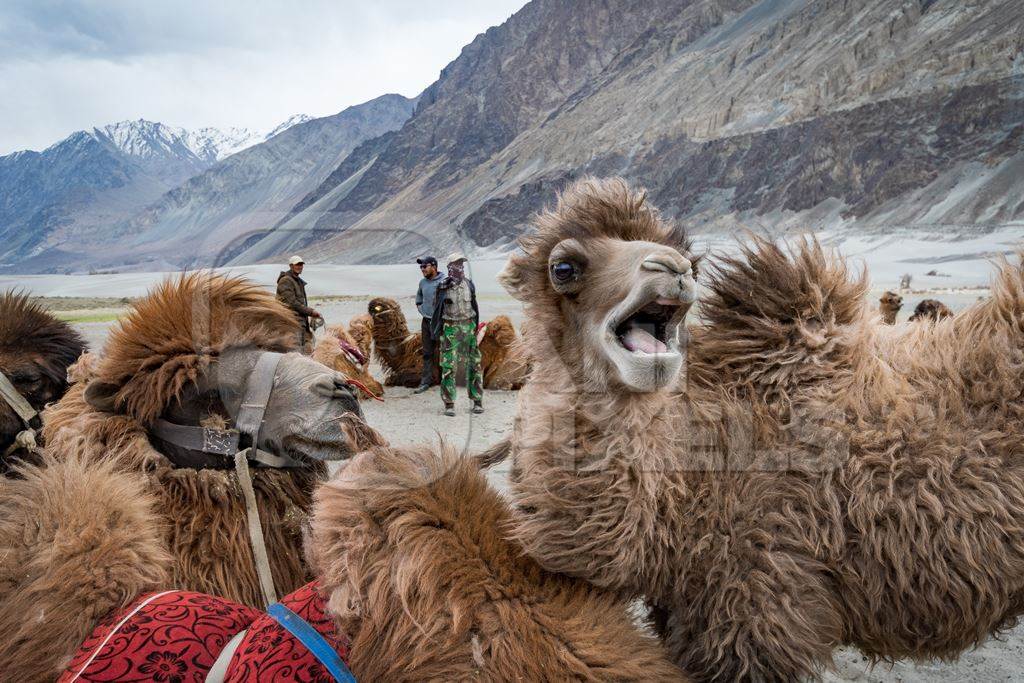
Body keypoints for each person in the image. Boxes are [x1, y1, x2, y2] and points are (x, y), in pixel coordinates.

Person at [431, 253, 483, 416]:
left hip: (468, 326)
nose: (459, 267)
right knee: (448, 366)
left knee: (474, 364)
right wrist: (437, 332)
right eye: (455, 264)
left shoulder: (469, 284)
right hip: (450, 329)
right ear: (449, 268)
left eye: (461, 264)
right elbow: (436, 310)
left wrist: (475, 328)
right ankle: (449, 403)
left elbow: (474, 305)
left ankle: (477, 401)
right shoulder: (442, 287)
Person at [276, 255, 321, 354]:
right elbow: (292, 303)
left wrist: (310, 313)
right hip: (291, 322)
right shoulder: (286, 281)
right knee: (295, 351)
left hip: (300, 322)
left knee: (305, 350)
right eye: (297, 264)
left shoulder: (297, 281)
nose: (300, 267)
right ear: (291, 266)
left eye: (301, 264)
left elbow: (299, 303)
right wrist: (311, 311)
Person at [413, 255, 444, 393]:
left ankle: (446, 381)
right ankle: (426, 382)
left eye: (425, 266)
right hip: (426, 321)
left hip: (442, 322)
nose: (422, 269)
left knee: (444, 351)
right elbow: (419, 297)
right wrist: (420, 308)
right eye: (421, 267)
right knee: (427, 352)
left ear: (434, 266)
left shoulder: (445, 281)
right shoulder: (422, 283)